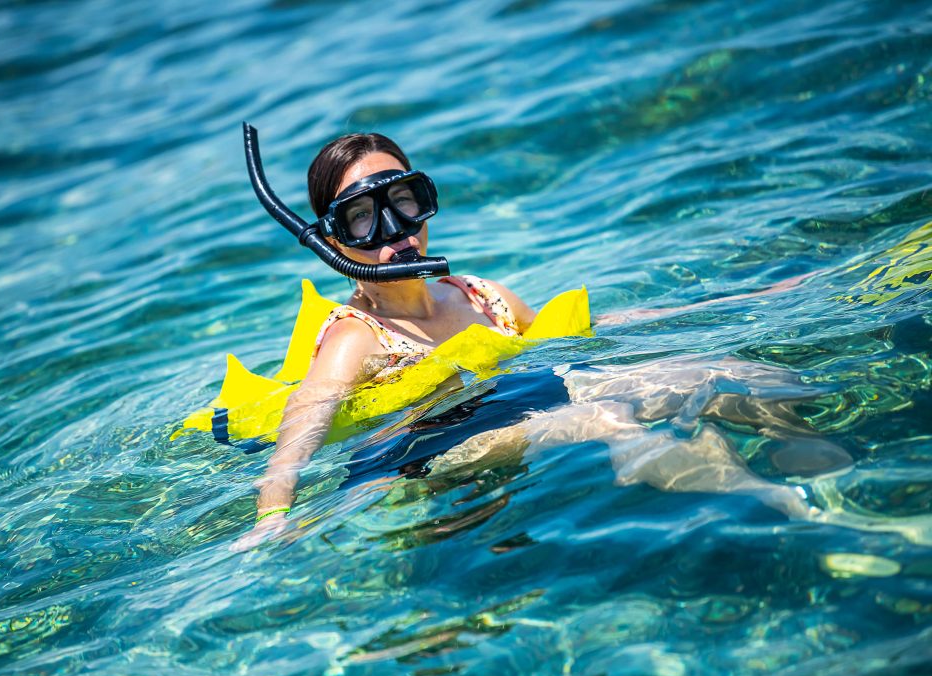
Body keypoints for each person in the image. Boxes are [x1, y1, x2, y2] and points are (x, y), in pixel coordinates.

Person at [230, 131, 838, 552]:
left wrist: (739, 301)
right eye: (363, 218)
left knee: (719, 371)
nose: (395, 232)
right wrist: (273, 516)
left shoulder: (473, 294)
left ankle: (826, 481)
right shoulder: (354, 338)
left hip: (515, 404)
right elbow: (300, 430)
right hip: (428, 451)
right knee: (606, 417)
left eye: (402, 201)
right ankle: (791, 511)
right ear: (333, 242)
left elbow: (576, 332)